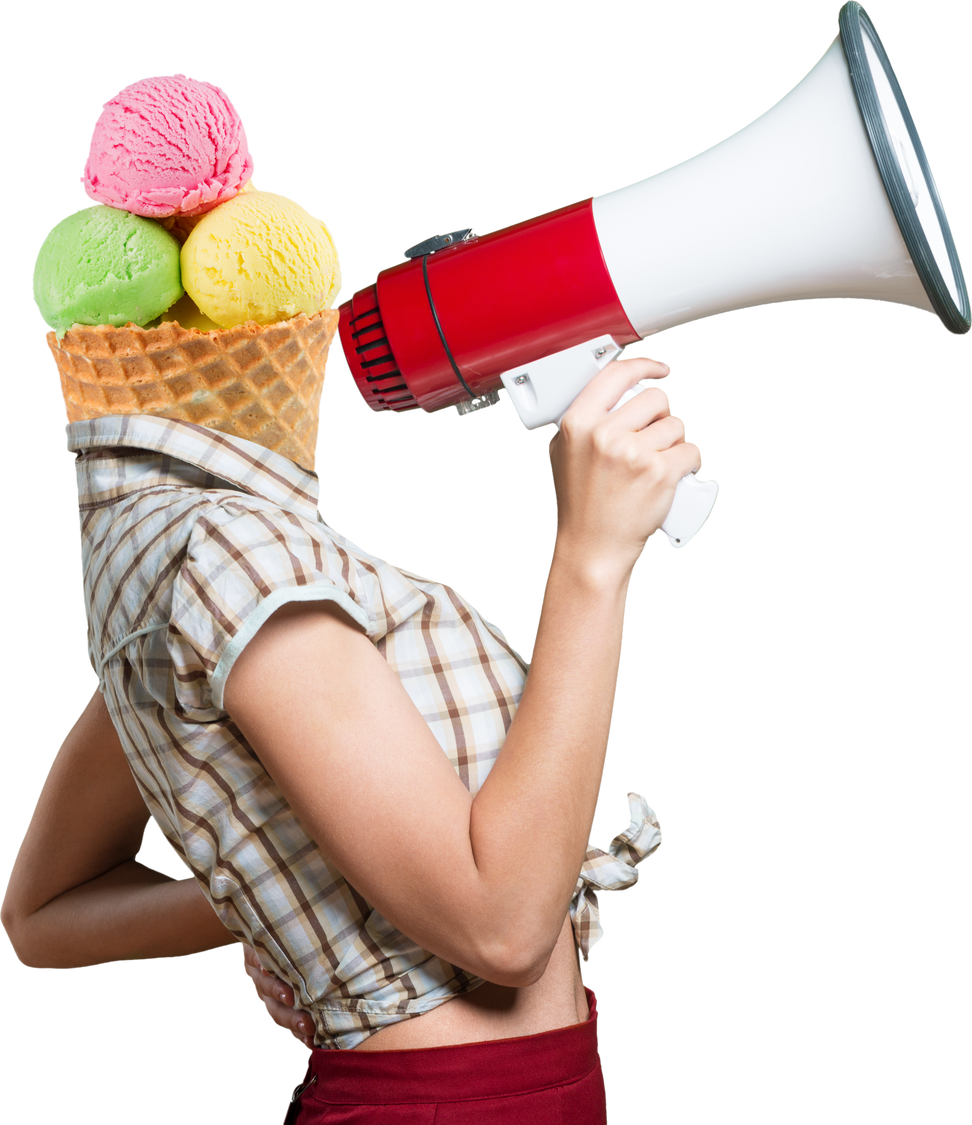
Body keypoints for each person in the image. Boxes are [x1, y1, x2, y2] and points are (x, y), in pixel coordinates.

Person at [2, 354, 699, 1123]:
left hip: (530, 1087)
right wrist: (593, 558)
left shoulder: (211, 554)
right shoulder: (232, 559)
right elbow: (504, 931)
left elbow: (41, 911)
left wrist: (304, 898)